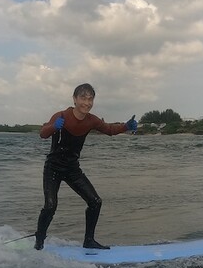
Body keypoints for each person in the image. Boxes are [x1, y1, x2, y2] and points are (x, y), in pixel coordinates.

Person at [34, 83, 137, 250]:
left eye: (90, 99)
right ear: (75, 99)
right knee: (50, 206)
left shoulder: (91, 120)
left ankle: (89, 241)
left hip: (72, 169)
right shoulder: (61, 115)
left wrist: (126, 126)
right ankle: (39, 240)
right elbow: (43, 133)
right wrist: (54, 126)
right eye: (83, 98)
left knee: (95, 201)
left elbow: (110, 129)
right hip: (53, 168)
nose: (87, 102)